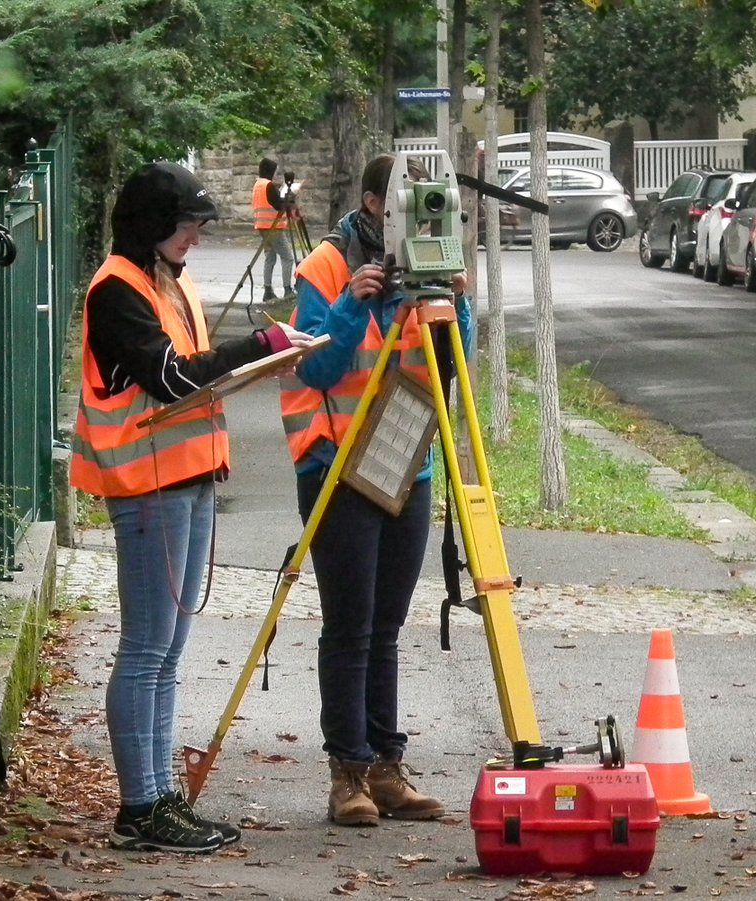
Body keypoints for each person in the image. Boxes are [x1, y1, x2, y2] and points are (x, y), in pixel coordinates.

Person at [70, 161, 312, 852]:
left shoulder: (166, 282)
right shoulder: (118, 289)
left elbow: (194, 376)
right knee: (147, 648)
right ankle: (141, 806)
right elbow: (172, 378)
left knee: (167, 650)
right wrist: (259, 344)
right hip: (148, 484)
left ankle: (157, 797)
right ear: (151, 224)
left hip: (186, 476)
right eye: (185, 226)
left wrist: (265, 359)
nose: (195, 239)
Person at [278, 153, 473, 827]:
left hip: (405, 461)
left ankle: (387, 766)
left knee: (386, 625)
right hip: (336, 462)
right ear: (371, 206)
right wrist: (350, 304)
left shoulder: (428, 269)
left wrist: (456, 299)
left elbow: (453, 364)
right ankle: (348, 773)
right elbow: (316, 370)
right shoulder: (327, 266)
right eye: (400, 205)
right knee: (350, 626)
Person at [253, 157, 295, 302]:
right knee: (288, 257)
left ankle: (268, 290)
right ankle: (287, 289)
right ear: (269, 171)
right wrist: (288, 198)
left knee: (270, 258)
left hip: (262, 226)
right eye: (274, 171)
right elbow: (278, 205)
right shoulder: (268, 186)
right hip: (273, 227)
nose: (275, 174)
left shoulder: (258, 184)